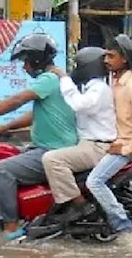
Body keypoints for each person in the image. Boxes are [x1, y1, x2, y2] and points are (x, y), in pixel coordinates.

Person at [0, 33, 77, 241]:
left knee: (2, 170)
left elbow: (16, 100)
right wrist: (4, 127)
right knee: (4, 156)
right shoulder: (56, 80)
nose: (24, 67)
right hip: (46, 147)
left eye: (25, 62)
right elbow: (34, 115)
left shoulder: (49, 79)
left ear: (36, 59)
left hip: (52, 151)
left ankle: (11, 228)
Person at [85, 33, 132, 236]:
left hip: (125, 148)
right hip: (113, 142)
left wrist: (127, 148)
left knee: (95, 181)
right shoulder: (115, 82)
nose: (106, 61)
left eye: (111, 56)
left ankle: (123, 226)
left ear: (124, 59)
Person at [39, 46, 117, 227]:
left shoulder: (99, 89)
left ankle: (79, 205)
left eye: (79, 65)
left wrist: (64, 79)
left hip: (96, 147)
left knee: (52, 160)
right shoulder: (92, 88)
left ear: (88, 67)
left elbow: (80, 105)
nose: (76, 70)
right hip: (89, 144)